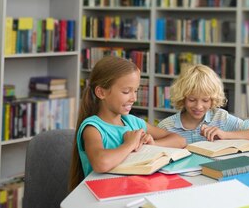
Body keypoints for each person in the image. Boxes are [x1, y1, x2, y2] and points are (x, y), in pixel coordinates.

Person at [69, 56, 186, 189]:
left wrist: (152, 145)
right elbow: (101, 163)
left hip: (132, 191)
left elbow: (180, 141)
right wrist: (130, 144)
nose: (134, 98)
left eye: (135, 91)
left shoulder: (133, 122)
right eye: (126, 91)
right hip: (102, 197)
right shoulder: (93, 128)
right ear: (101, 92)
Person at [158, 64, 249, 143]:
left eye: (205, 100)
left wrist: (226, 135)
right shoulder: (166, 126)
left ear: (213, 99)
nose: (198, 106)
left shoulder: (221, 118)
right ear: (182, 98)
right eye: (192, 100)